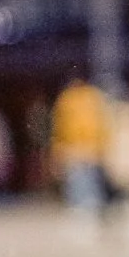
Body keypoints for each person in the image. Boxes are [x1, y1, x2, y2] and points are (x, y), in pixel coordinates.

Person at [50, 78, 108, 221]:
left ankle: (89, 206)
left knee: (87, 178)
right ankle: (82, 206)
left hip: (85, 146)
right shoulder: (73, 98)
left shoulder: (85, 97)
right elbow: (60, 126)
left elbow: (101, 123)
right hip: (77, 146)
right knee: (78, 178)